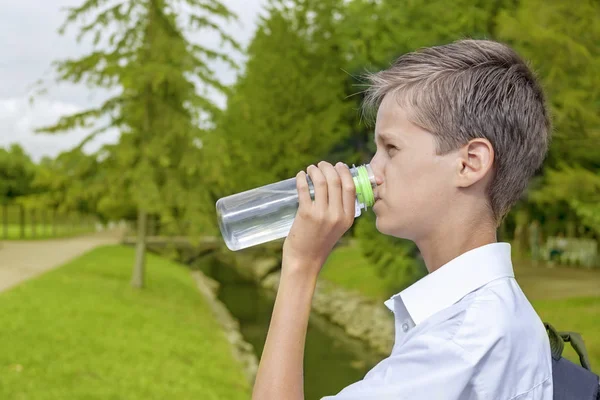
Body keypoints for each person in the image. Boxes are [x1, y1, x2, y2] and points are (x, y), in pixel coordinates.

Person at [251, 39, 553, 399]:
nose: (371, 171)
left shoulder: (460, 343)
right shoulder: (498, 315)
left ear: (470, 163)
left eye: (391, 149)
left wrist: (300, 265)